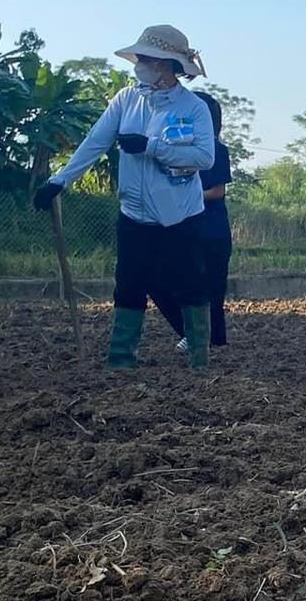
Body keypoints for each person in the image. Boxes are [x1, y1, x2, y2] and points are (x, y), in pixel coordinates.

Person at [33, 25, 216, 370]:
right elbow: (95, 142)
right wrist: (60, 181)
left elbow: (204, 157)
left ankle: (199, 361)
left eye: (146, 58)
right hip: (134, 213)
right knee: (129, 283)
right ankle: (120, 360)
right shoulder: (126, 100)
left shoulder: (193, 108)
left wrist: (151, 147)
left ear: (166, 64)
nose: (140, 64)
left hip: (182, 213)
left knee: (190, 283)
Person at [153, 89, 232, 351]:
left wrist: (185, 193)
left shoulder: (218, 150)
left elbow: (218, 191)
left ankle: (214, 341)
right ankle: (195, 333)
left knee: (213, 289)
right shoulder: (181, 152)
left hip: (212, 229)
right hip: (187, 227)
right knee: (166, 279)